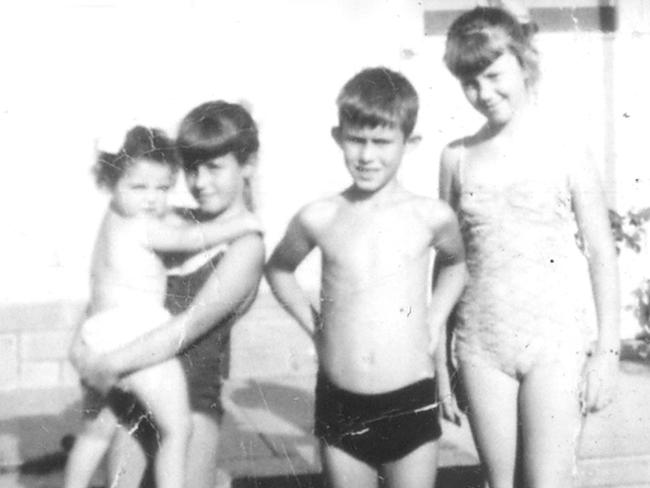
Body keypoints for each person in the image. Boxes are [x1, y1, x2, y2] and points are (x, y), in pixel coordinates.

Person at [439, 7, 620, 488]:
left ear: (524, 62)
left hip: (555, 342)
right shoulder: (455, 157)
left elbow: (602, 252)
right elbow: (448, 262)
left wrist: (606, 353)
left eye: (495, 75)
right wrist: (440, 359)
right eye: (470, 82)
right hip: (481, 343)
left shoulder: (565, 145)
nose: (485, 93)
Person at [265, 67, 467, 488]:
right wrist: (314, 325)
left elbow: (456, 265)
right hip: (342, 404)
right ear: (339, 137)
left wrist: (433, 321)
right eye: (357, 140)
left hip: (410, 398)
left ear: (408, 143)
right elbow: (279, 269)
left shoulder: (429, 215)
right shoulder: (320, 217)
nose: (367, 156)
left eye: (381, 142)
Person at [74, 102, 265, 488]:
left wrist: (107, 364)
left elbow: (187, 327)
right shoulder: (167, 217)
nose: (200, 182)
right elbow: (111, 286)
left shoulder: (246, 246)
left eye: (214, 167)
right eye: (192, 167)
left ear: (247, 165)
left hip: (189, 403)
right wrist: (83, 346)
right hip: (132, 391)